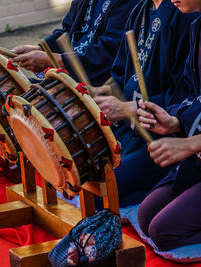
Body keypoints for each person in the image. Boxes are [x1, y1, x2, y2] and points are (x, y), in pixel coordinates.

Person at [92, 0, 198, 207]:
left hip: (161, 138)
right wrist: (101, 91)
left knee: (105, 189)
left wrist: (130, 108)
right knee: (88, 175)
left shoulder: (187, 13)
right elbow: (121, 77)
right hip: (130, 130)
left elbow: (185, 92)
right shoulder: (139, 11)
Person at [136, 0, 201, 250]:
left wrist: (191, 143)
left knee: (164, 232)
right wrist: (172, 122)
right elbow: (192, 94)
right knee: (146, 217)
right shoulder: (197, 26)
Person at [10, 0, 140, 86]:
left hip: (97, 86)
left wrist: (52, 60)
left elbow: (107, 54)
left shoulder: (128, 3)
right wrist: (39, 48)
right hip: (70, 78)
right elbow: (67, 30)